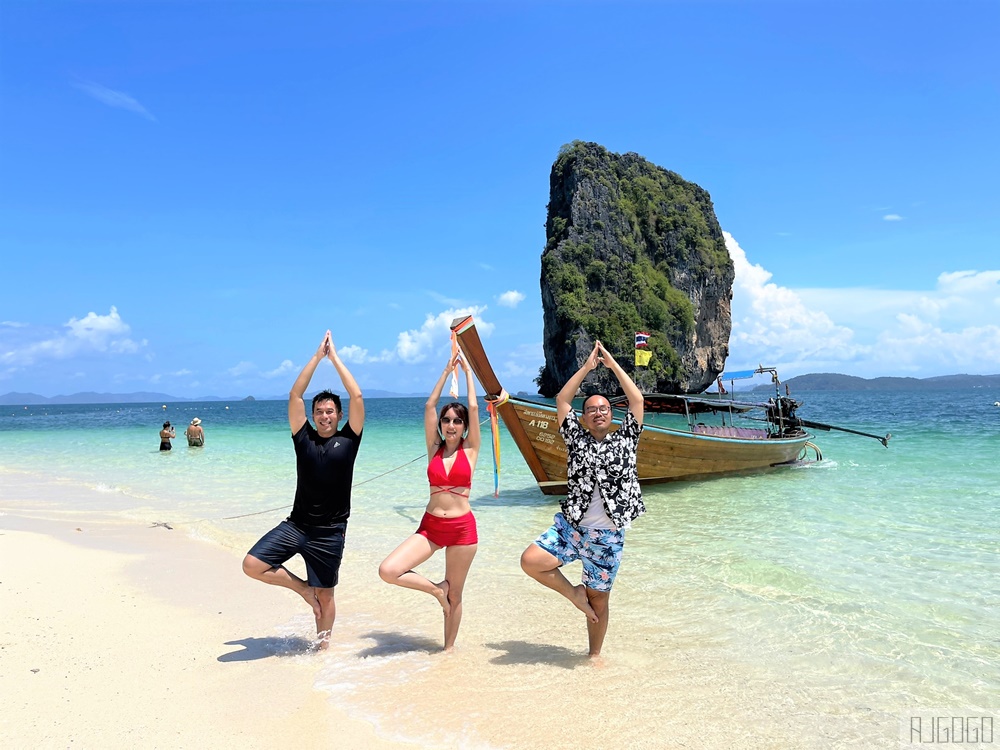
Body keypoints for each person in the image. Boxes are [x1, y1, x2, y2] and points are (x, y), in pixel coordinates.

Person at [519, 340, 644, 658]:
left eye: (603, 409)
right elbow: (562, 399)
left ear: (611, 414)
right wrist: (588, 367)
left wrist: (614, 366)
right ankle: (574, 594)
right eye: (591, 410)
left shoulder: (626, 438)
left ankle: (594, 657)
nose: (598, 413)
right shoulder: (575, 438)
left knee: (600, 601)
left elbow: (637, 400)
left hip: (607, 537)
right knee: (531, 561)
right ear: (584, 418)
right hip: (572, 528)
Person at [241, 330, 365, 649]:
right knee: (252, 564)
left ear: (339, 416)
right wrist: (316, 356)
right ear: (312, 417)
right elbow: (295, 395)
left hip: (330, 532)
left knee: (326, 595)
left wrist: (335, 358)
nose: (325, 416)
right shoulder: (304, 438)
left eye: (330, 411)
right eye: (319, 412)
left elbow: (358, 397)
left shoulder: (349, 440)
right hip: (297, 526)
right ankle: (302, 590)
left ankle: (322, 649)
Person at [378, 353, 480, 651]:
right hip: (431, 527)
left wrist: (469, 372)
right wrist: (446, 371)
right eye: (447, 420)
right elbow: (428, 406)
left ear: (464, 427)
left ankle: (447, 651)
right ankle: (437, 590)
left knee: (457, 596)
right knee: (389, 570)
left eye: (457, 421)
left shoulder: (471, 448)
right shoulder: (433, 448)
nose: (451, 425)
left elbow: (474, 406)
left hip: (462, 530)